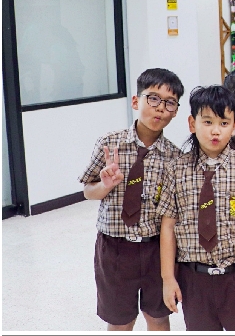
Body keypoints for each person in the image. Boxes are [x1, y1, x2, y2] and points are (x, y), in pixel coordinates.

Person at [157, 85, 235, 331]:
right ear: (192, 123)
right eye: (208, 122)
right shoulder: (175, 170)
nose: (215, 130)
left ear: (234, 126)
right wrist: (168, 278)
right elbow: (168, 227)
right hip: (194, 279)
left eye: (224, 123)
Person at [78, 68, 185, 331]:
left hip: (155, 249)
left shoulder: (175, 157)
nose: (160, 108)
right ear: (136, 101)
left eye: (170, 103)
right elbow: (87, 190)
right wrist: (104, 186)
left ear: (175, 111)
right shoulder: (109, 143)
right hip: (114, 248)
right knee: (120, 321)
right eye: (153, 98)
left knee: (158, 317)